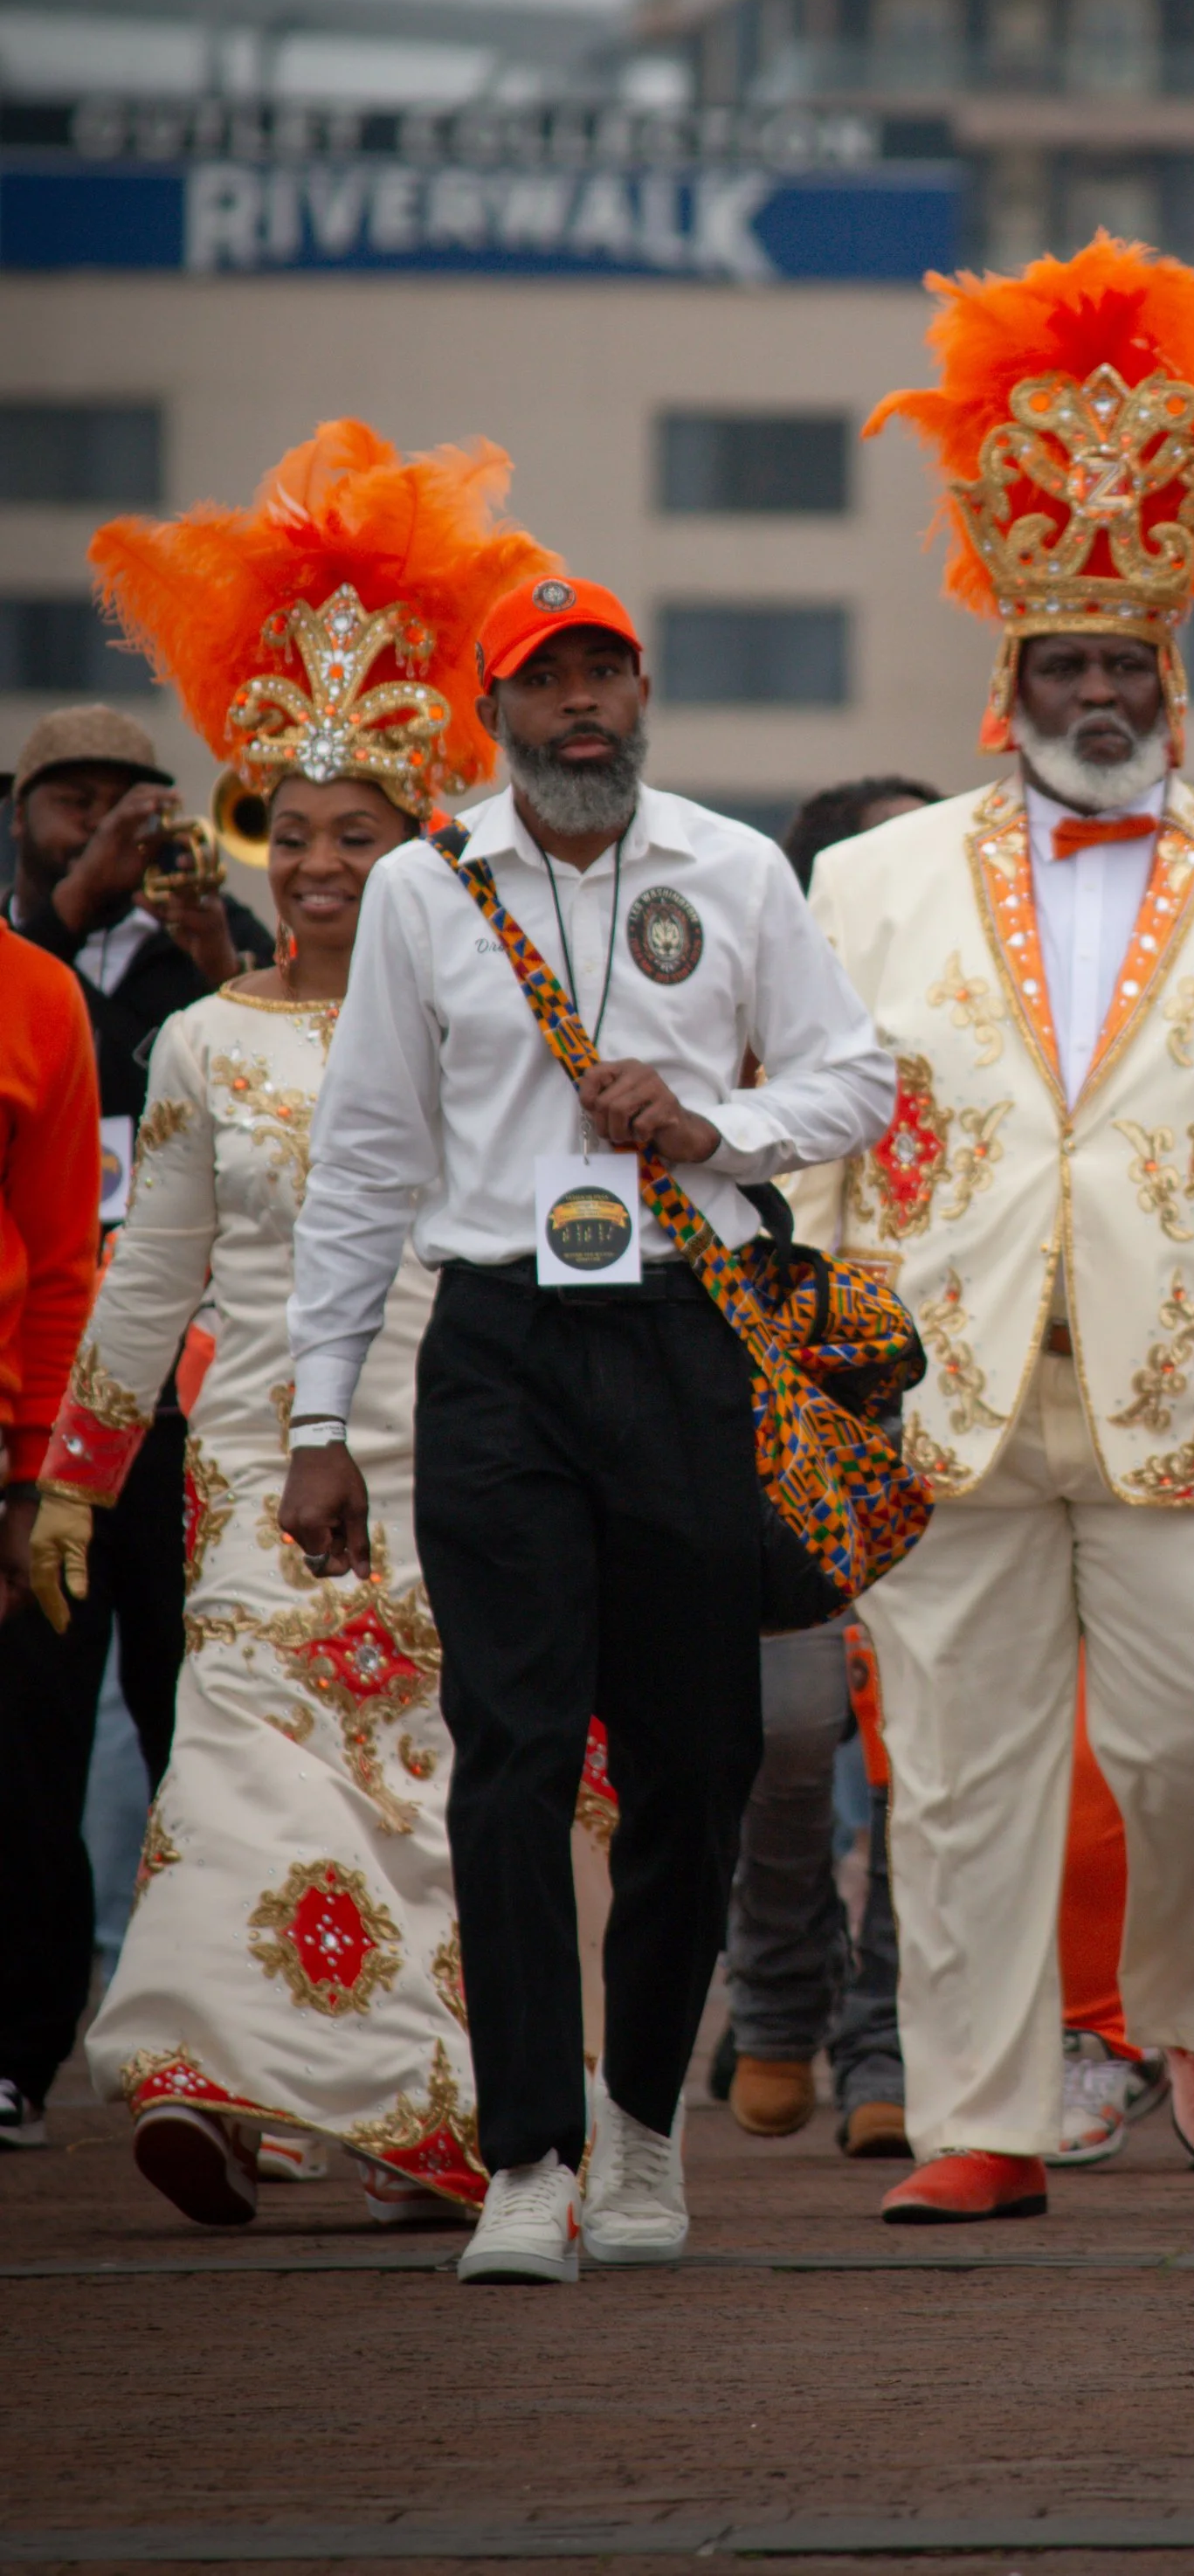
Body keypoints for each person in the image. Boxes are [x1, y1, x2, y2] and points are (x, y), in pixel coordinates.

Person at [795, 234, 1194, 2220]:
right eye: (1062, 663)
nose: (1095, 692)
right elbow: (816, 1151)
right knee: (959, 1781)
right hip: (939, 1395)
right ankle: (987, 2120)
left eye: (1124, 666)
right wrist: (809, 1374)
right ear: (1007, 685)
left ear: (1173, 679)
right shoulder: (876, 881)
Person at [281, 570, 897, 2284]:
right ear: (494, 707)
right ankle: (529, 2163)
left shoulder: (732, 867)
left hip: (689, 1340)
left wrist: (712, 1125)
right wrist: (319, 1412)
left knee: (698, 1760)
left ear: (642, 698)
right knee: (514, 1751)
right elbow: (366, 1156)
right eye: (548, 680)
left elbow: (855, 1078)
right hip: (494, 1350)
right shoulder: (425, 884)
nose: (583, 708)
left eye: (607, 679)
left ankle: (641, 2124)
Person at [31, 425, 550, 2223]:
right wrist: (73, 1487)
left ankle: (433, 2112)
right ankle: (199, 2075)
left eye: (359, 838)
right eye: (291, 834)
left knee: (436, 1795)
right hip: (261, 1462)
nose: (320, 868)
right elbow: (145, 1276)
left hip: (471, 1458)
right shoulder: (201, 1041)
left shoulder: (497, 1032)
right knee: (240, 1760)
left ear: (423, 852)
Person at [0, 705, 274, 2149]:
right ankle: (23, 2040)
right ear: (26, 814)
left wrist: (211, 943)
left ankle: (220, 2038)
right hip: (60, 1397)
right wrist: (67, 907)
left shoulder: (205, 953)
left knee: (201, 1714)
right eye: (74, 801)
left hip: (197, 1389)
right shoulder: (24, 961)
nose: (109, 824)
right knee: (39, 1725)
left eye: (135, 802)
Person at [711, 770, 937, 2160]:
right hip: (783, 1419)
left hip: (960, 1409)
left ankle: (895, 2038)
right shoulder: (740, 1023)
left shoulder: (991, 1019)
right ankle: (778, 1994)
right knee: (790, 1733)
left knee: (939, 1747)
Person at [0, 918, 102, 2148]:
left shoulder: (36, 995)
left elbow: (65, 1252)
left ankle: (18, 2047)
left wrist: (35, 1474)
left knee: (21, 1766)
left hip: (7, 1439)